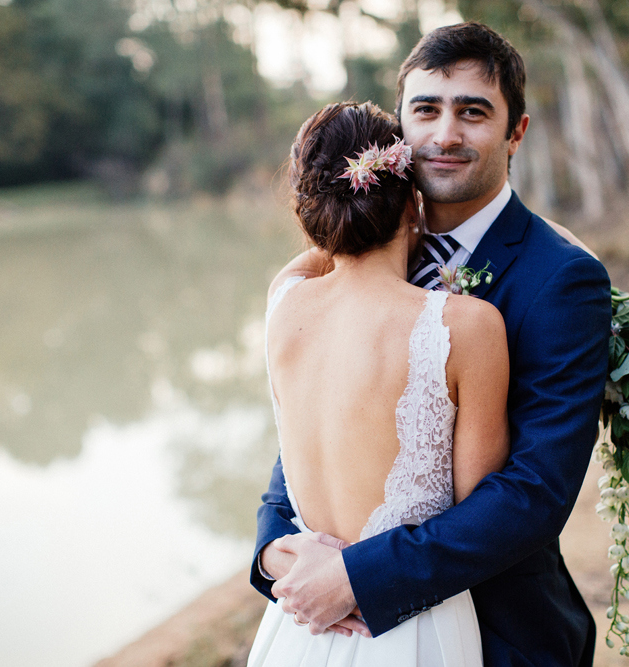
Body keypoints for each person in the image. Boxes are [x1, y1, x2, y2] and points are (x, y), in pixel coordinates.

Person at [253, 22, 612, 667]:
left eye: (473, 112)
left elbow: (534, 492)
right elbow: (303, 437)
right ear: (400, 127)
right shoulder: (337, 264)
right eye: (426, 109)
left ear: (516, 132)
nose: (445, 134)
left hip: (498, 632)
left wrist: (358, 578)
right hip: (332, 629)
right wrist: (276, 552)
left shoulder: (561, 277)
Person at [246, 100, 510, 665]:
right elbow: (474, 510)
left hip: (302, 622)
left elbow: (320, 254)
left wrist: (363, 213)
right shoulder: (465, 326)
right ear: (412, 199)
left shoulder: (284, 300)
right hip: (414, 625)